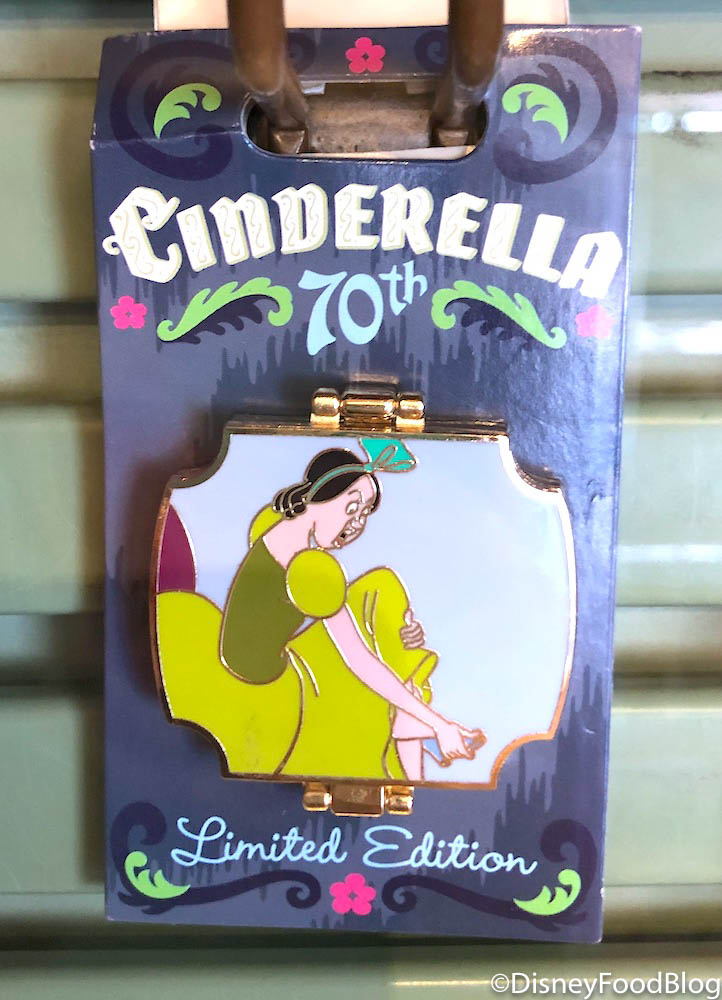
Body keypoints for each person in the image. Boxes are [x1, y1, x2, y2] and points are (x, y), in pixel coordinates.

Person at [218, 442, 483, 781]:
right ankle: (421, 729)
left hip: (264, 656)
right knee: (381, 602)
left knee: (381, 588)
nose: (357, 523)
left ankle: (415, 719)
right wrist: (439, 722)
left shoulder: (280, 528)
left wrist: (399, 632)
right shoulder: (309, 566)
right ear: (317, 497)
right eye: (351, 507)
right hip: (275, 677)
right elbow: (358, 659)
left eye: (365, 513)